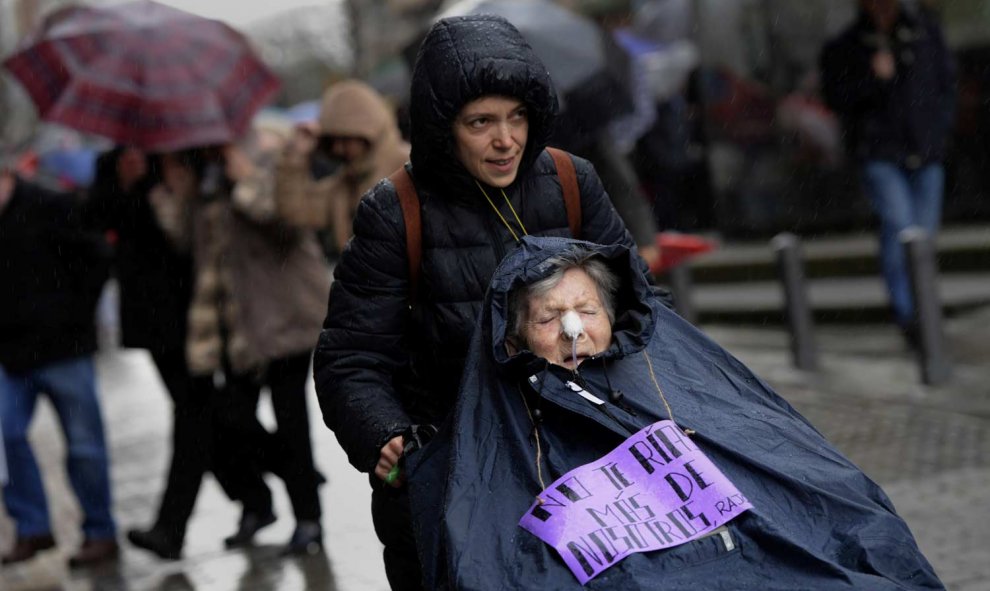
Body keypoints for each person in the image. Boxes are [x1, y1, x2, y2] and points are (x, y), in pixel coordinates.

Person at [311, 14, 651, 590]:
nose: (505, 139)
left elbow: (640, 304)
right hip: (455, 481)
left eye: (517, 117)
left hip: (581, 469)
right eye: (481, 122)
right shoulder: (395, 213)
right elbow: (350, 358)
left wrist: (593, 342)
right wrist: (383, 434)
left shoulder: (572, 181)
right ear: (444, 128)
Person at [404, 236, 943, 589]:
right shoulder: (504, 432)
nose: (573, 331)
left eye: (587, 311)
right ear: (516, 333)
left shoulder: (660, 380)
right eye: (550, 317)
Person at [149, 142, 330, 556]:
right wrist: (174, 189)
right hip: (236, 328)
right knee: (228, 418)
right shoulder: (203, 179)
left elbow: (288, 223)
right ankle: (262, 502)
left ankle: (309, 522)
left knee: (291, 421)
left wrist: (245, 174)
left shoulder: (267, 153)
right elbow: (189, 246)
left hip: (285, 317)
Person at [0, 167, 119, 567]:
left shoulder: (49, 204)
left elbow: (97, 256)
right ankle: (32, 527)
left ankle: (100, 531)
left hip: (64, 350)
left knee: (85, 446)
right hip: (11, 356)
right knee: (7, 436)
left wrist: (76, 316)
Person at [820, 0, 956, 346]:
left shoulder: (925, 32)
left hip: (925, 151)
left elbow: (944, 86)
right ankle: (909, 314)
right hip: (880, 152)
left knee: (922, 235)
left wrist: (938, 133)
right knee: (900, 227)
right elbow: (836, 97)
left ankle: (925, 309)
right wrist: (872, 79)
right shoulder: (848, 44)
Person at [276, 79, 410, 258]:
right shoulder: (345, 184)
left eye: (345, 139)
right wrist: (296, 156)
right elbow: (296, 211)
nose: (337, 149)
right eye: (332, 141)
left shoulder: (409, 165)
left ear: (368, 132)